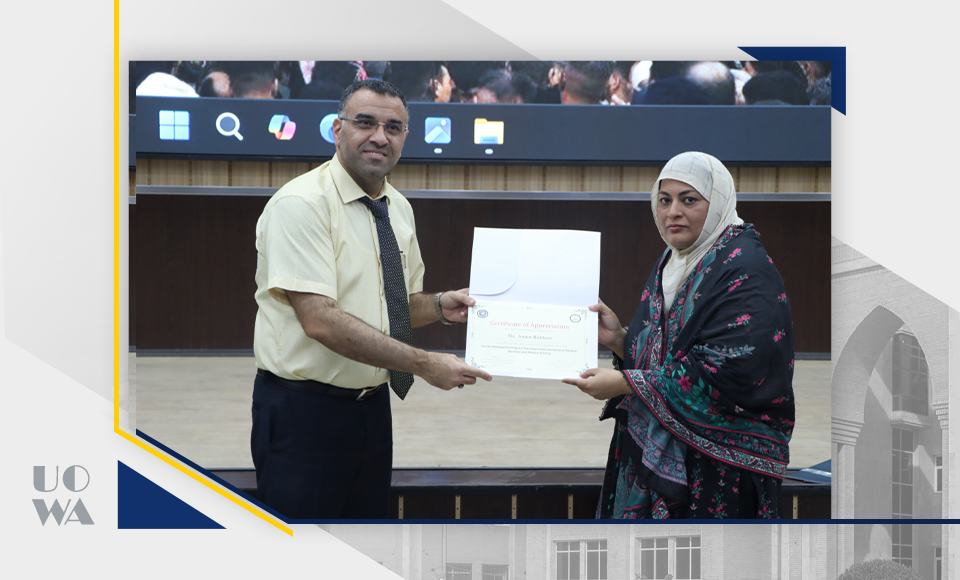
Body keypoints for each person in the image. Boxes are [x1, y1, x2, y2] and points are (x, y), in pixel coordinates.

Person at [251, 79, 492, 519]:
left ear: (404, 138)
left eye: (393, 127)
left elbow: (396, 308)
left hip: (372, 410)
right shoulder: (302, 204)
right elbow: (320, 320)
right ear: (337, 130)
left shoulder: (397, 208)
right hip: (303, 413)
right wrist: (424, 364)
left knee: (364, 538)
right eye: (365, 123)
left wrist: (440, 306)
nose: (380, 136)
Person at [563, 151, 795, 519]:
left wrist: (626, 383)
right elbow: (669, 349)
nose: (673, 212)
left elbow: (733, 370)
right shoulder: (675, 259)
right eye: (664, 200)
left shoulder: (745, 268)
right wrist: (619, 339)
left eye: (689, 200)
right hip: (671, 453)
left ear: (718, 202)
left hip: (720, 468)